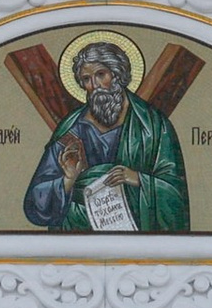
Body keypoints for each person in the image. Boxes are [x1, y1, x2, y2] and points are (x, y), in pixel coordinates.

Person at [21, 41, 189, 233]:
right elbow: (35, 202)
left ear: (117, 74)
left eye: (101, 74)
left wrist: (138, 179)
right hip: (77, 233)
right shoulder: (71, 129)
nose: (95, 85)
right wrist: (67, 180)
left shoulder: (152, 125)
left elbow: (175, 192)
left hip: (134, 231)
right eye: (86, 79)